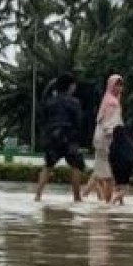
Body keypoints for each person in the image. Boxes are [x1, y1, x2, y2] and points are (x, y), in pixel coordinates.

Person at [34, 73, 87, 202]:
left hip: (52, 137)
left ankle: (37, 196)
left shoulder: (50, 101)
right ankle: (77, 198)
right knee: (75, 166)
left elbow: (43, 118)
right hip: (70, 137)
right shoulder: (74, 102)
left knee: (48, 166)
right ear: (70, 86)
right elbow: (79, 121)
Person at [90, 75, 125, 203]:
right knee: (109, 175)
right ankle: (109, 203)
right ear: (111, 85)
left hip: (100, 139)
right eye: (117, 84)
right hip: (107, 140)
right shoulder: (112, 102)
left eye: (121, 85)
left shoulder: (107, 99)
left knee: (102, 172)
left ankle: (105, 199)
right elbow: (109, 124)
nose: (119, 88)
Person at [108, 125, 133, 205]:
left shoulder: (113, 143)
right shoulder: (129, 143)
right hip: (126, 168)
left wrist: (111, 166)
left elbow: (110, 156)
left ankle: (121, 202)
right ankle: (114, 200)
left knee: (118, 185)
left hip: (115, 168)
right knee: (125, 189)